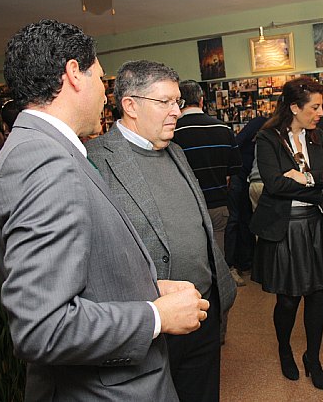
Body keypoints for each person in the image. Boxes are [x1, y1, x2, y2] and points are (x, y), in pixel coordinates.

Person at [0, 20, 209, 401]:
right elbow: (44, 328)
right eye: (101, 79)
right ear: (73, 73)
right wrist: (156, 316)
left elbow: (81, 274)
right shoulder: (43, 163)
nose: (106, 96)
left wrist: (145, 288)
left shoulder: (43, 150)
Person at [86, 60, 236, 402]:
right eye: (165, 102)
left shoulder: (177, 152)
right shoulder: (94, 159)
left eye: (177, 101)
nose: (177, 112)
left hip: (202, 312)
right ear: (130, 105)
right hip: (153, 324)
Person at [250, 77, 323, 390]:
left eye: (322, 106)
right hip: (284, 229)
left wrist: (305, 177)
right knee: (288, 301)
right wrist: (315, 185)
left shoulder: (320, 138)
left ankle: (313, 357)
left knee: (318, 296)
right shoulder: (267, 138)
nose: (322, 112)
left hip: (315, 224)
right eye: (315, 107)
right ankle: (284, 348)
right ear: (295, 107)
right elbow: (275, 184)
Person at [173, 80, 243, 285]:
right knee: (217, 262)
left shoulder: (172, 131)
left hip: (186, 208)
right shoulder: (223, 129)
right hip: (218, 204)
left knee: (193, 267)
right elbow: (233, 171)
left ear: (180, 102)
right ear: (202, 100)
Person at [224, 113, 267, 283]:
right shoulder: (261, 122)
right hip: (240, 175)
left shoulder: (265, 124)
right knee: (238, 219)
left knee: (245, 220)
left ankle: (245, 263)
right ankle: (236, 265)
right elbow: (236, 143)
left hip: (248, 178)